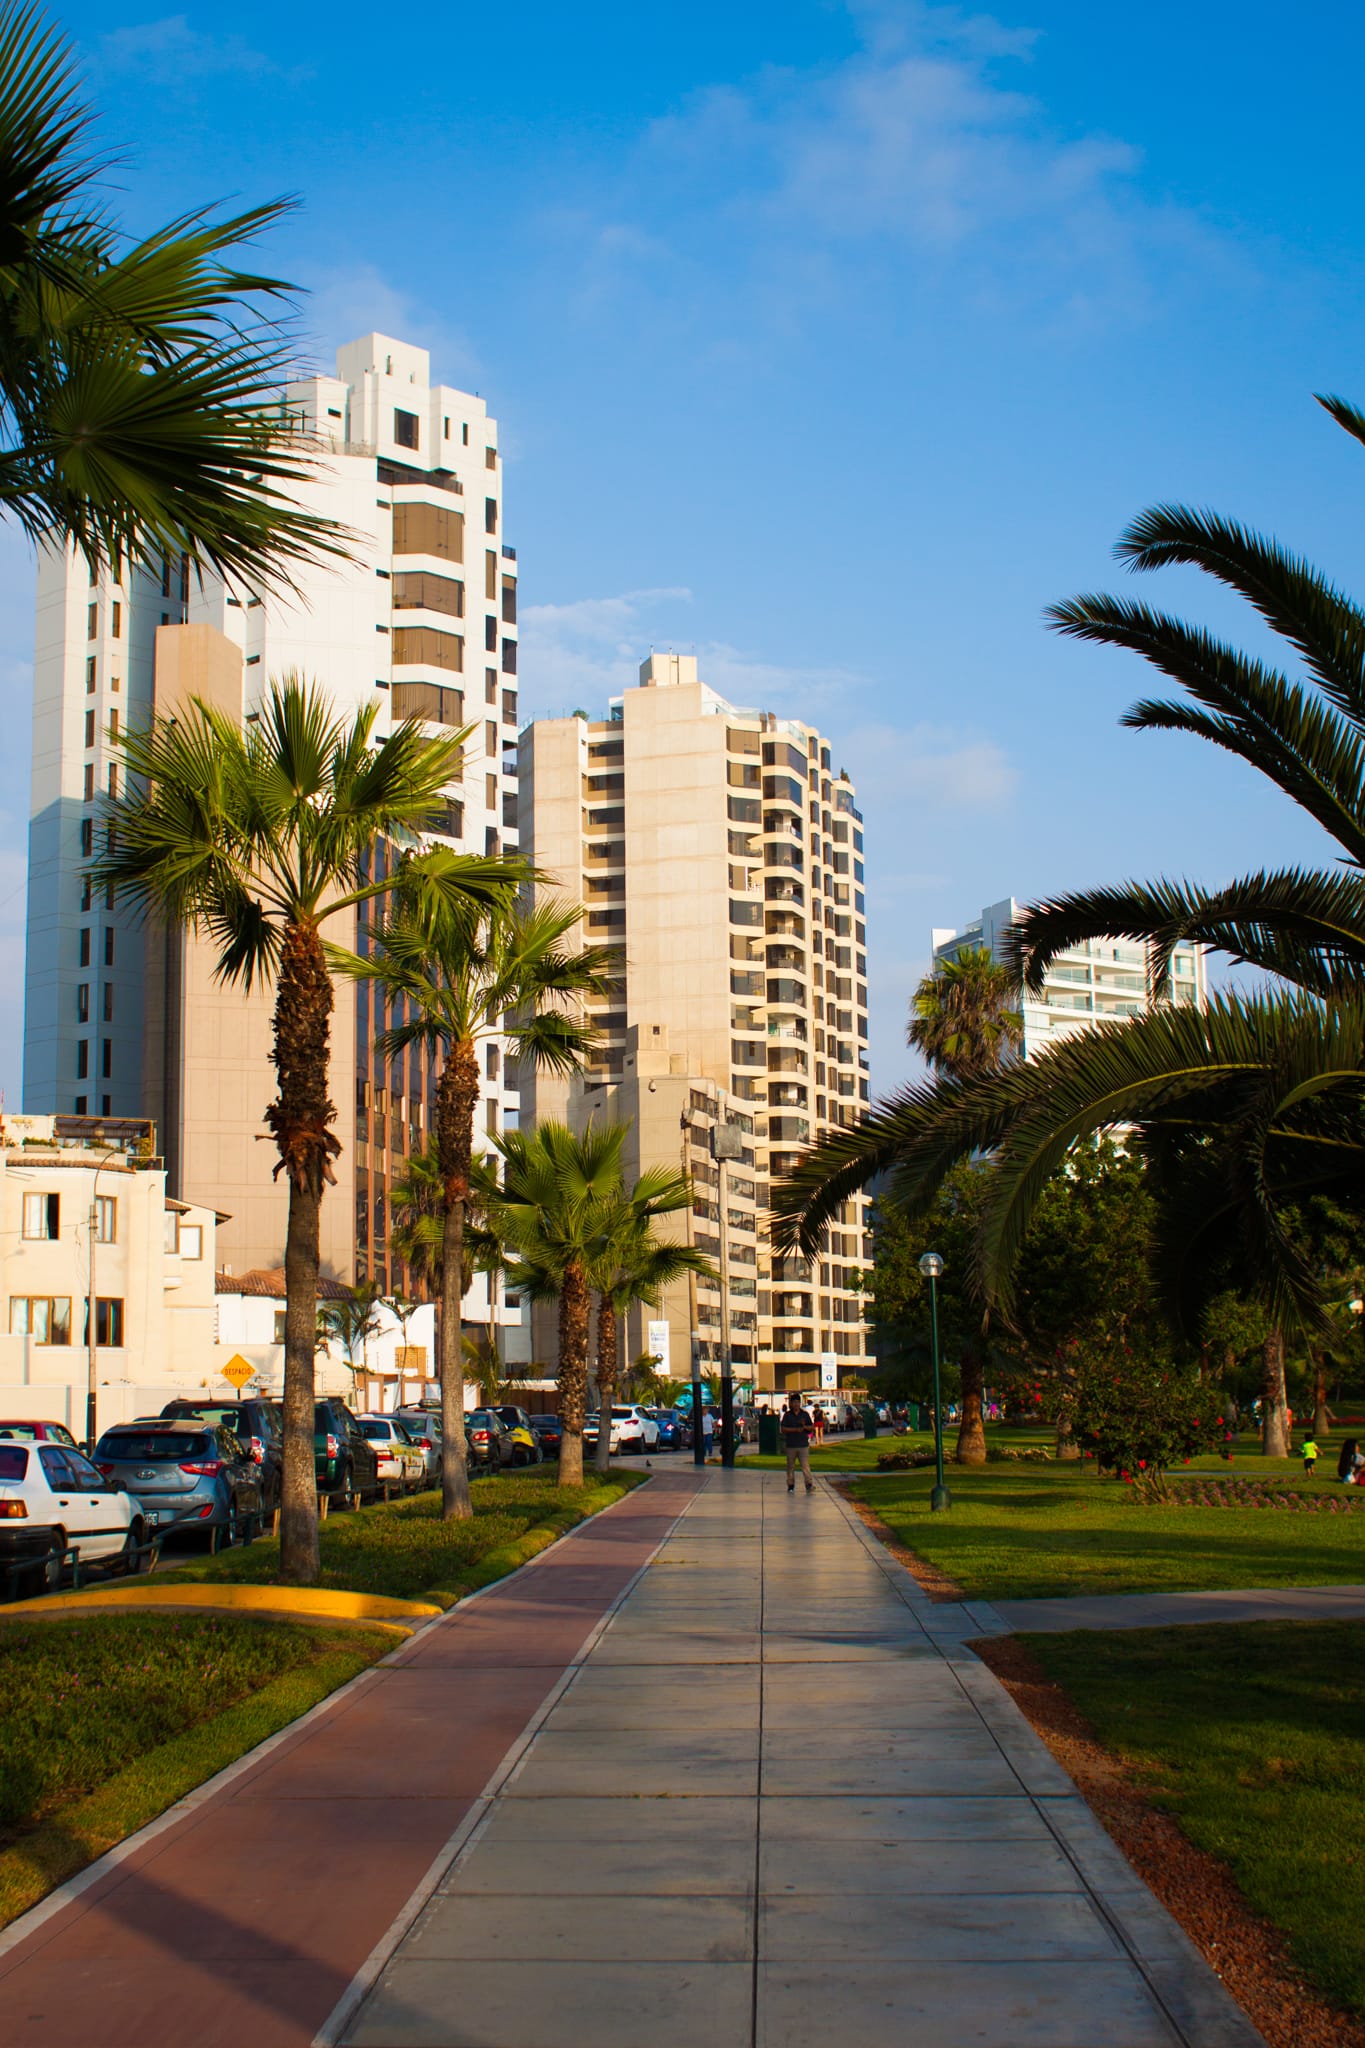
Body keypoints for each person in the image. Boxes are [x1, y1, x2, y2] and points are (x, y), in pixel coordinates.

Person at [780, 1392, 816, 1494]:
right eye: (794, 1402)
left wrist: (804, 1427)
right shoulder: (787, 1415)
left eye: (797, 1402)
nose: (796, 1404)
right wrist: (795, 1430)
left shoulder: (804, 1415)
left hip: (803, 1444)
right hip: (791, 1445)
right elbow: (783, 1429)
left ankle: (809, 1485)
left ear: (800, 1403)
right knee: (790, 1466)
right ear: (791, 1403)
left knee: (805, 1466)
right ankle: (791, 1485)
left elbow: (811, 1427)